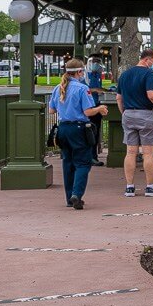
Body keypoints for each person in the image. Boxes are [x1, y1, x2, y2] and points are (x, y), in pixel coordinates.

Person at [48, 58, 108, 210]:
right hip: (79, 128)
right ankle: (77, 194)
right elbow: (88, 111)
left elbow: (52, 110)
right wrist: (100, 109)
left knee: (67, 163)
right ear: (79, 72)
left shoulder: (58, 88)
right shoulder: (82, 89)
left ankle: (69, 198)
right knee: (83, 162)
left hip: (63, 129)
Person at [116, 49, 153, 197]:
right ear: (147, 60)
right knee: (148, 152)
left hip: (128, 113)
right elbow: (152, 95)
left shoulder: (124, 75)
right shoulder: (149, 74)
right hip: (146, 114)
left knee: (130, 152)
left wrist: (124, 112)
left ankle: (129, 187)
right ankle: (149, 187)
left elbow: (119, 97)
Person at [86, 53, 105, 166]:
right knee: (90, 132)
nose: (96, 64)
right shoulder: (85, 75)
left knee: (95, 132)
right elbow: (84, 89)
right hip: (88, 107)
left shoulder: (97, 74)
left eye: (98, 62)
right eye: (95, 62)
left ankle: (94, 156)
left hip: (96, 105)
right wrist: (94, 90)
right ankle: (89, 157)